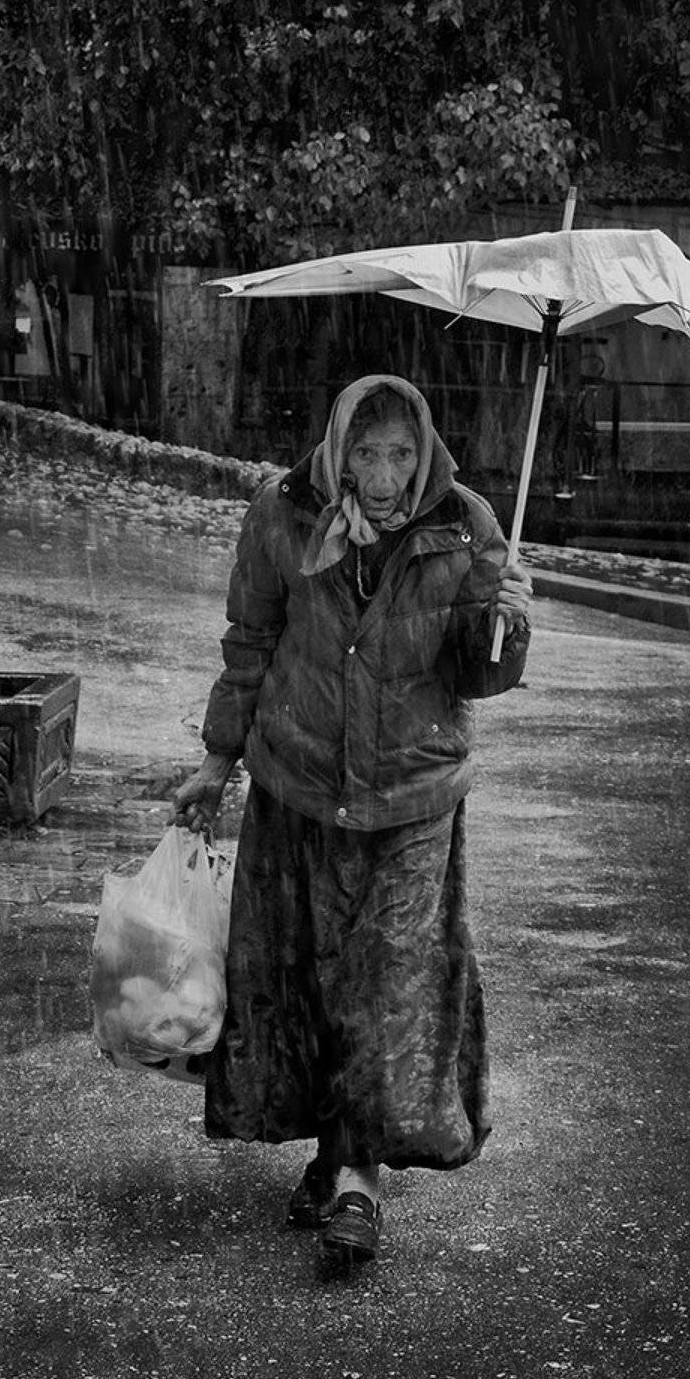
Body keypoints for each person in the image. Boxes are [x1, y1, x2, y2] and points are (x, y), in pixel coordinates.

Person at [173, 373, 533, 1272]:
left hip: (412, 795)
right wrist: (218, 760)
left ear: (425, 454)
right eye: (366, 454)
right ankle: (332, 1155)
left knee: (388, 980)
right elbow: (250, 642)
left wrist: (505, 626)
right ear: (337, 450)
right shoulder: (283, 515)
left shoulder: (467, 526)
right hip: (298, 784)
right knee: (307, 982)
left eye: (401, 455)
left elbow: (480, 675)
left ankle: (359, 1183)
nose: (382, 477)